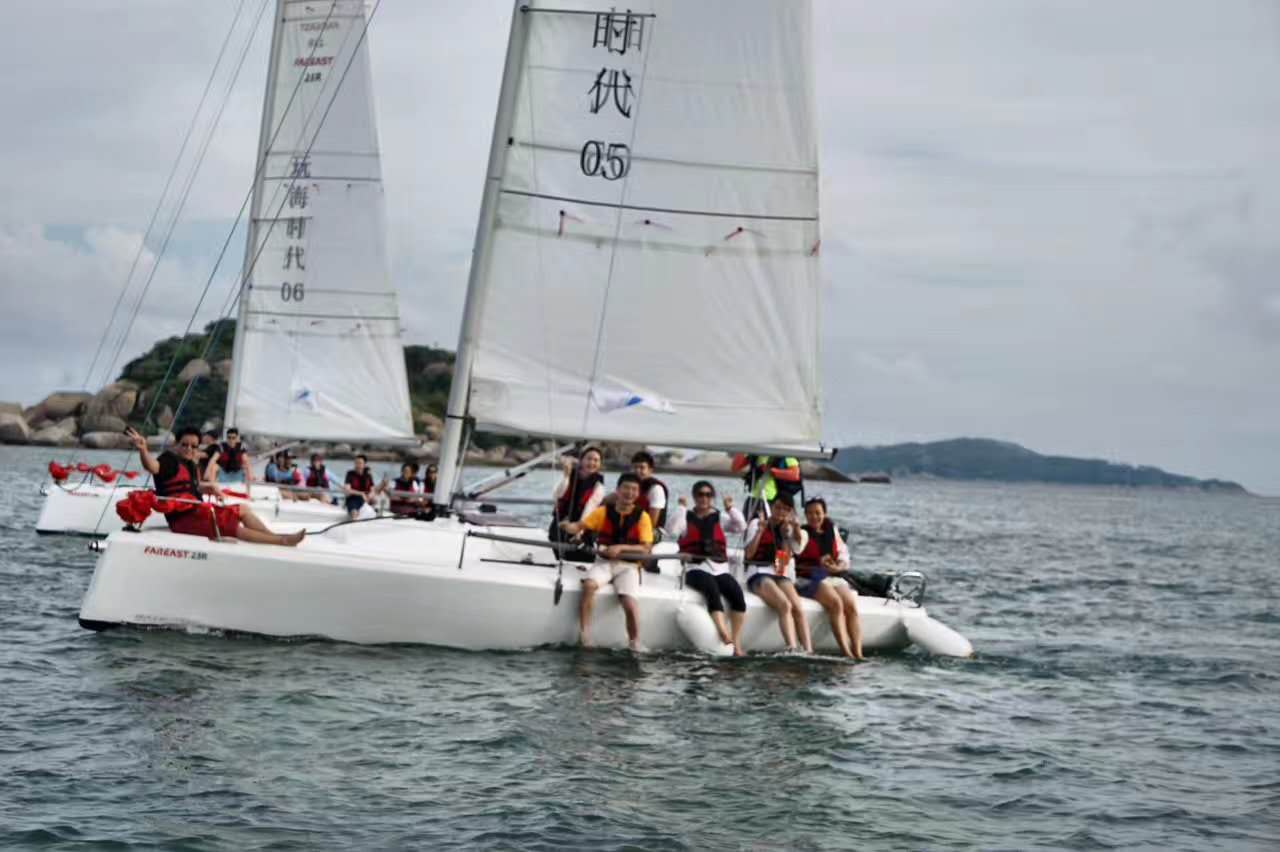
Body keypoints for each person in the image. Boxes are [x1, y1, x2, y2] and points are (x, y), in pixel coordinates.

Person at [124, 426, 303, 546]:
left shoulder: (190, 463)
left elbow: (192, 487)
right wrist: (143, 449)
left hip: (198, 510)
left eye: (193, 446)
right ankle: (282, 541)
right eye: (184, 445)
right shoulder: (168, 460)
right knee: (231, 526)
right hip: (183, 519)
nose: (189, 449)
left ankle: (272, 536)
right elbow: (152, 467)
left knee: (243, 508)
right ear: (176, 444)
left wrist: (208, 487)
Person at [558, 472, 653, 650]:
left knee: (629, 603)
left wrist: (620, 548)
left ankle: (635, 642)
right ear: (617, 490)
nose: (629, 492)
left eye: (634, 489)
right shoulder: (602, 512)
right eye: (626, 488)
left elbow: (646, 548)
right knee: (588, 586)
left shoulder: (643, 517)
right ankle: (585, 635)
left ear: (638, 493)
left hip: (629, 566)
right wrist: (567, 526)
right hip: (604, 563)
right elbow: (579, 526)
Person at [667, 481, 747, 655]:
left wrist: (731, 508)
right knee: (711, 588)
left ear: (712, 497)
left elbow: (741, 526)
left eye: (708, 495)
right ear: (694, 497)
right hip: (694, 568)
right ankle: (723, 632)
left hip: (719, 568)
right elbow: (671, 530)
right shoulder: (686, 517)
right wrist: (681, 508)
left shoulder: (720, 518)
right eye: (700, 495)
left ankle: (737, 641)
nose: (704, 498)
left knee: (737, 595)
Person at [796, 497, 864, 660]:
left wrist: (838, 567)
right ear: (805, 515)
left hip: (831, 575)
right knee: (836, 603)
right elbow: (796, 548)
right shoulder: (802, 533)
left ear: (824, 514)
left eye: (818, 513)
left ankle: (858, 652)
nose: (814, 517)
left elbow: (843, 554)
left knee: (851, 606)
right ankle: (846, 652)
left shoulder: (831, 530)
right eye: (810, 513)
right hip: (808, 577)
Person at [744, 495, 813, 653]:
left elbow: (792, 554)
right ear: (771, 507)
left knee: (798, 608)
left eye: (786, 509)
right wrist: (760, 531)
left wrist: (789, 533)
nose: (781, 512)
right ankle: (791, 647)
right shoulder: (757, 523)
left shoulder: (787, 528)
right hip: (759, 572)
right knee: (784, 604)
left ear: (790, 512)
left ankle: (808, 650)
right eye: (778, 507)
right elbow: (749, 554)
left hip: (779, 574)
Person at [550, 445, 605, 532]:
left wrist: (579, 530)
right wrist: (566, 476)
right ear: (581, 460)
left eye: (596, 460)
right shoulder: (569, 474)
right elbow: (556, 495)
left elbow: (590, 508)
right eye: (589, 459)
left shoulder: (599, 486)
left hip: (581, 528)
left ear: (600, 464)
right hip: (560, 524)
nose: (592, 463)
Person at [732, 454, 802, 521]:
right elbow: (735, 467)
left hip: (772, 500)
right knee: (749, 525)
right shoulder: (756, 454)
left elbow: (795, 474)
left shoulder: (784, 454)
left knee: (767, 525)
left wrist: (771, 471)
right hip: (753, 497)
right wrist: (743, 449)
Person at [343, 455, 376, 520]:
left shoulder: (368, 475)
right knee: (354, 512)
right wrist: (361, 494)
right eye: (356, 463)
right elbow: (347, 490)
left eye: (360, 463)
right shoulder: (350, 474)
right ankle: (354, 521)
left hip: (366, 499)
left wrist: (370, 496)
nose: (357, 465)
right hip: (353, 498)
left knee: (375, 500)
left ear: (364, 465)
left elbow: (372, 490)